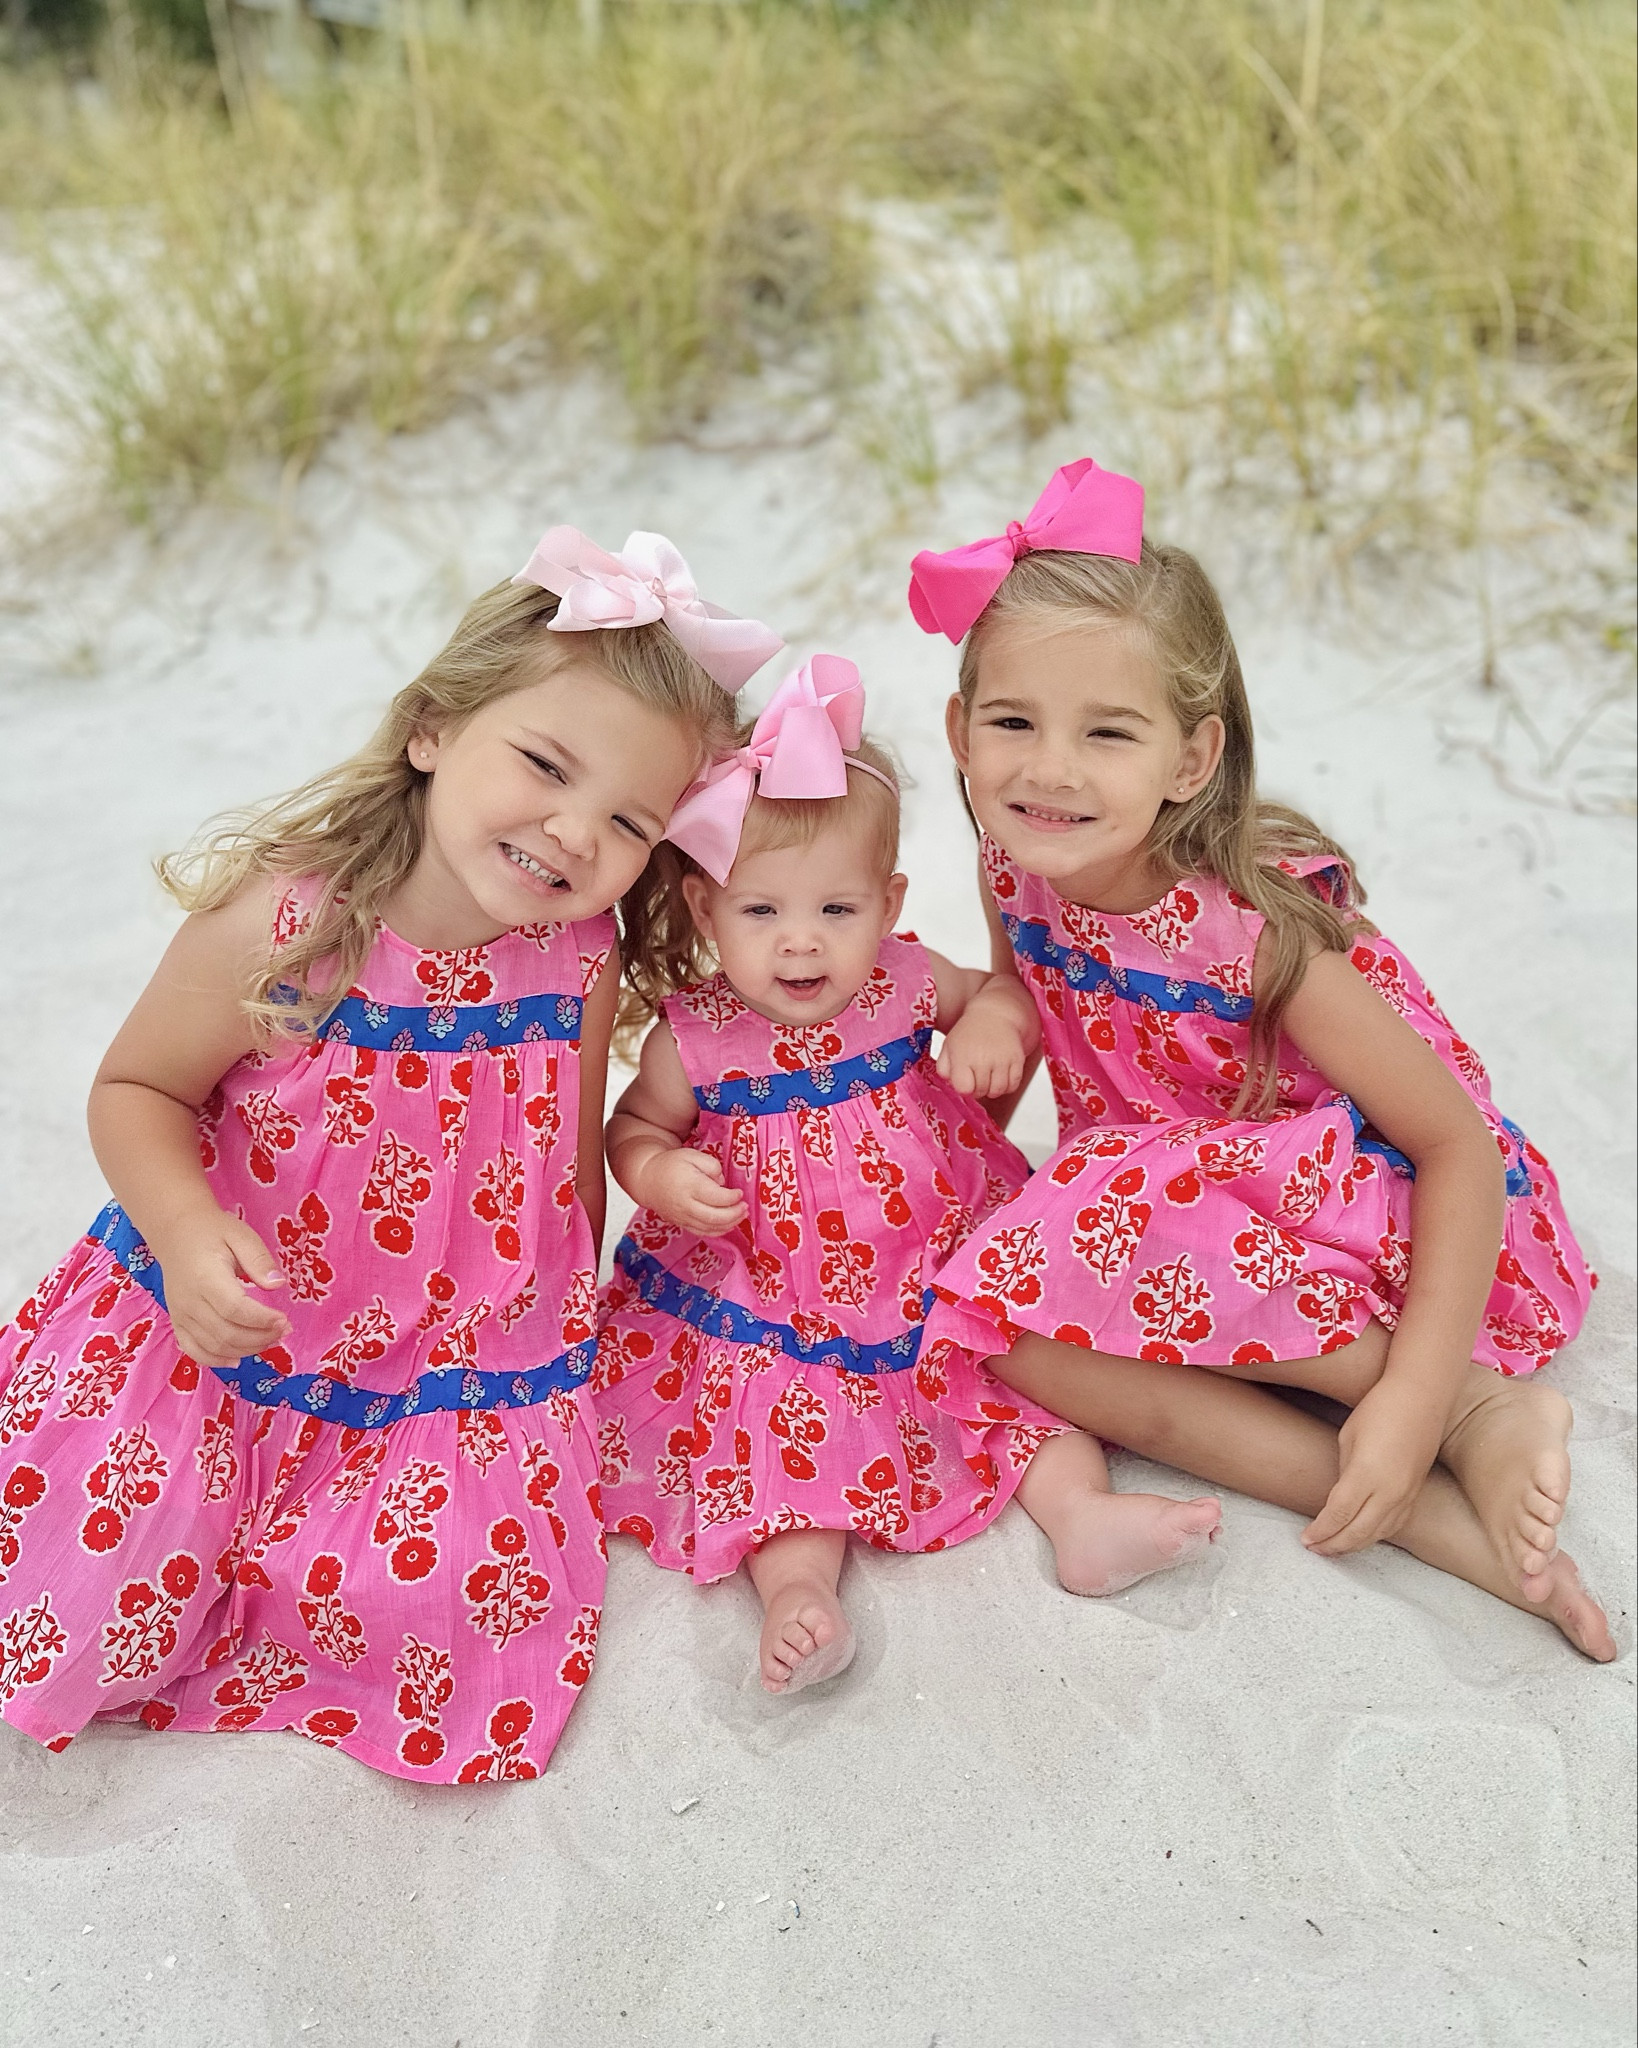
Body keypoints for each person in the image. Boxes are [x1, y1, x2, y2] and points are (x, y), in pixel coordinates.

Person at [0, 525, 776, 1775]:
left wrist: (557, 1346)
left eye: (629, 819)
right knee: (96, 1576)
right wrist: (187, 1237)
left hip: (447, 1352)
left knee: (457, 1603)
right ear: (432, 728)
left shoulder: (577, 955)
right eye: (545, 764)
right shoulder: (292, 917)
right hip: (230, 1322)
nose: (574, 831)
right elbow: (137, 1088)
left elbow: (563, 1166)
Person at [912, 457, 1614, 1661]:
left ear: (1191, 759)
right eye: (1013, 721)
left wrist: (1414, 1396)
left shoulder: (1255, 935)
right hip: (1185, 1204)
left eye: (1108, 732)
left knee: (1111, 1203)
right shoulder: (1014, 861)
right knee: (995, 1327)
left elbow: (1453, 1141)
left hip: (1383, 1215)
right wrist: (1000, 1015)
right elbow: (1031, 991)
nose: (1050, 768)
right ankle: (1424, 1515)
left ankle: (1467, 1407)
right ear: (959, 731)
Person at [595, 655, 1223, 1695]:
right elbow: (634, 1127)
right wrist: (659, 1173)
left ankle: (1083, 1516)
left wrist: (990, 1024)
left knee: (1013, 1370)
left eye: (837, 911)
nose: (802, 942)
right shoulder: (697, 1036)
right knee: (779, 1423)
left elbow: (1003, 995)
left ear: (887, 903)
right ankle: (801, 1590)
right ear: (706, 911)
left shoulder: (904, 980)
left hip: (935, 1253)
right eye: (761, 913)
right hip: (774, 1287)